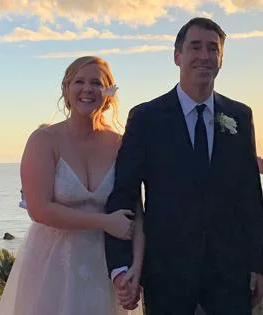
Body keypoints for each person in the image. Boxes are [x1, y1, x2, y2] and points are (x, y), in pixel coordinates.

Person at [105, 17, 263, 314]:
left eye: (213, 49)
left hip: (230, 274)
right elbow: (124, 195)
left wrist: (259, 264)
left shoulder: (240, 116)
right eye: (195, 47)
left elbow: (250, 196)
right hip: (166, 273)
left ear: (221, 59)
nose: (204, 56)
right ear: (177, 56)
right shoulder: (146, 118)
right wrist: (122, 266)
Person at [0, 56, 144, 315]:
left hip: (106, 267)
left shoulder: (121, 144)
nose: (88, 89)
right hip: (51, 266)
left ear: (108, 92)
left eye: (96, 83)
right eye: (79, 82)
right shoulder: (44, 140)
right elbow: (39, 210)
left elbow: (137, 214)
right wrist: (104, 222)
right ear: (66, 89)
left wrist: (135, 271)